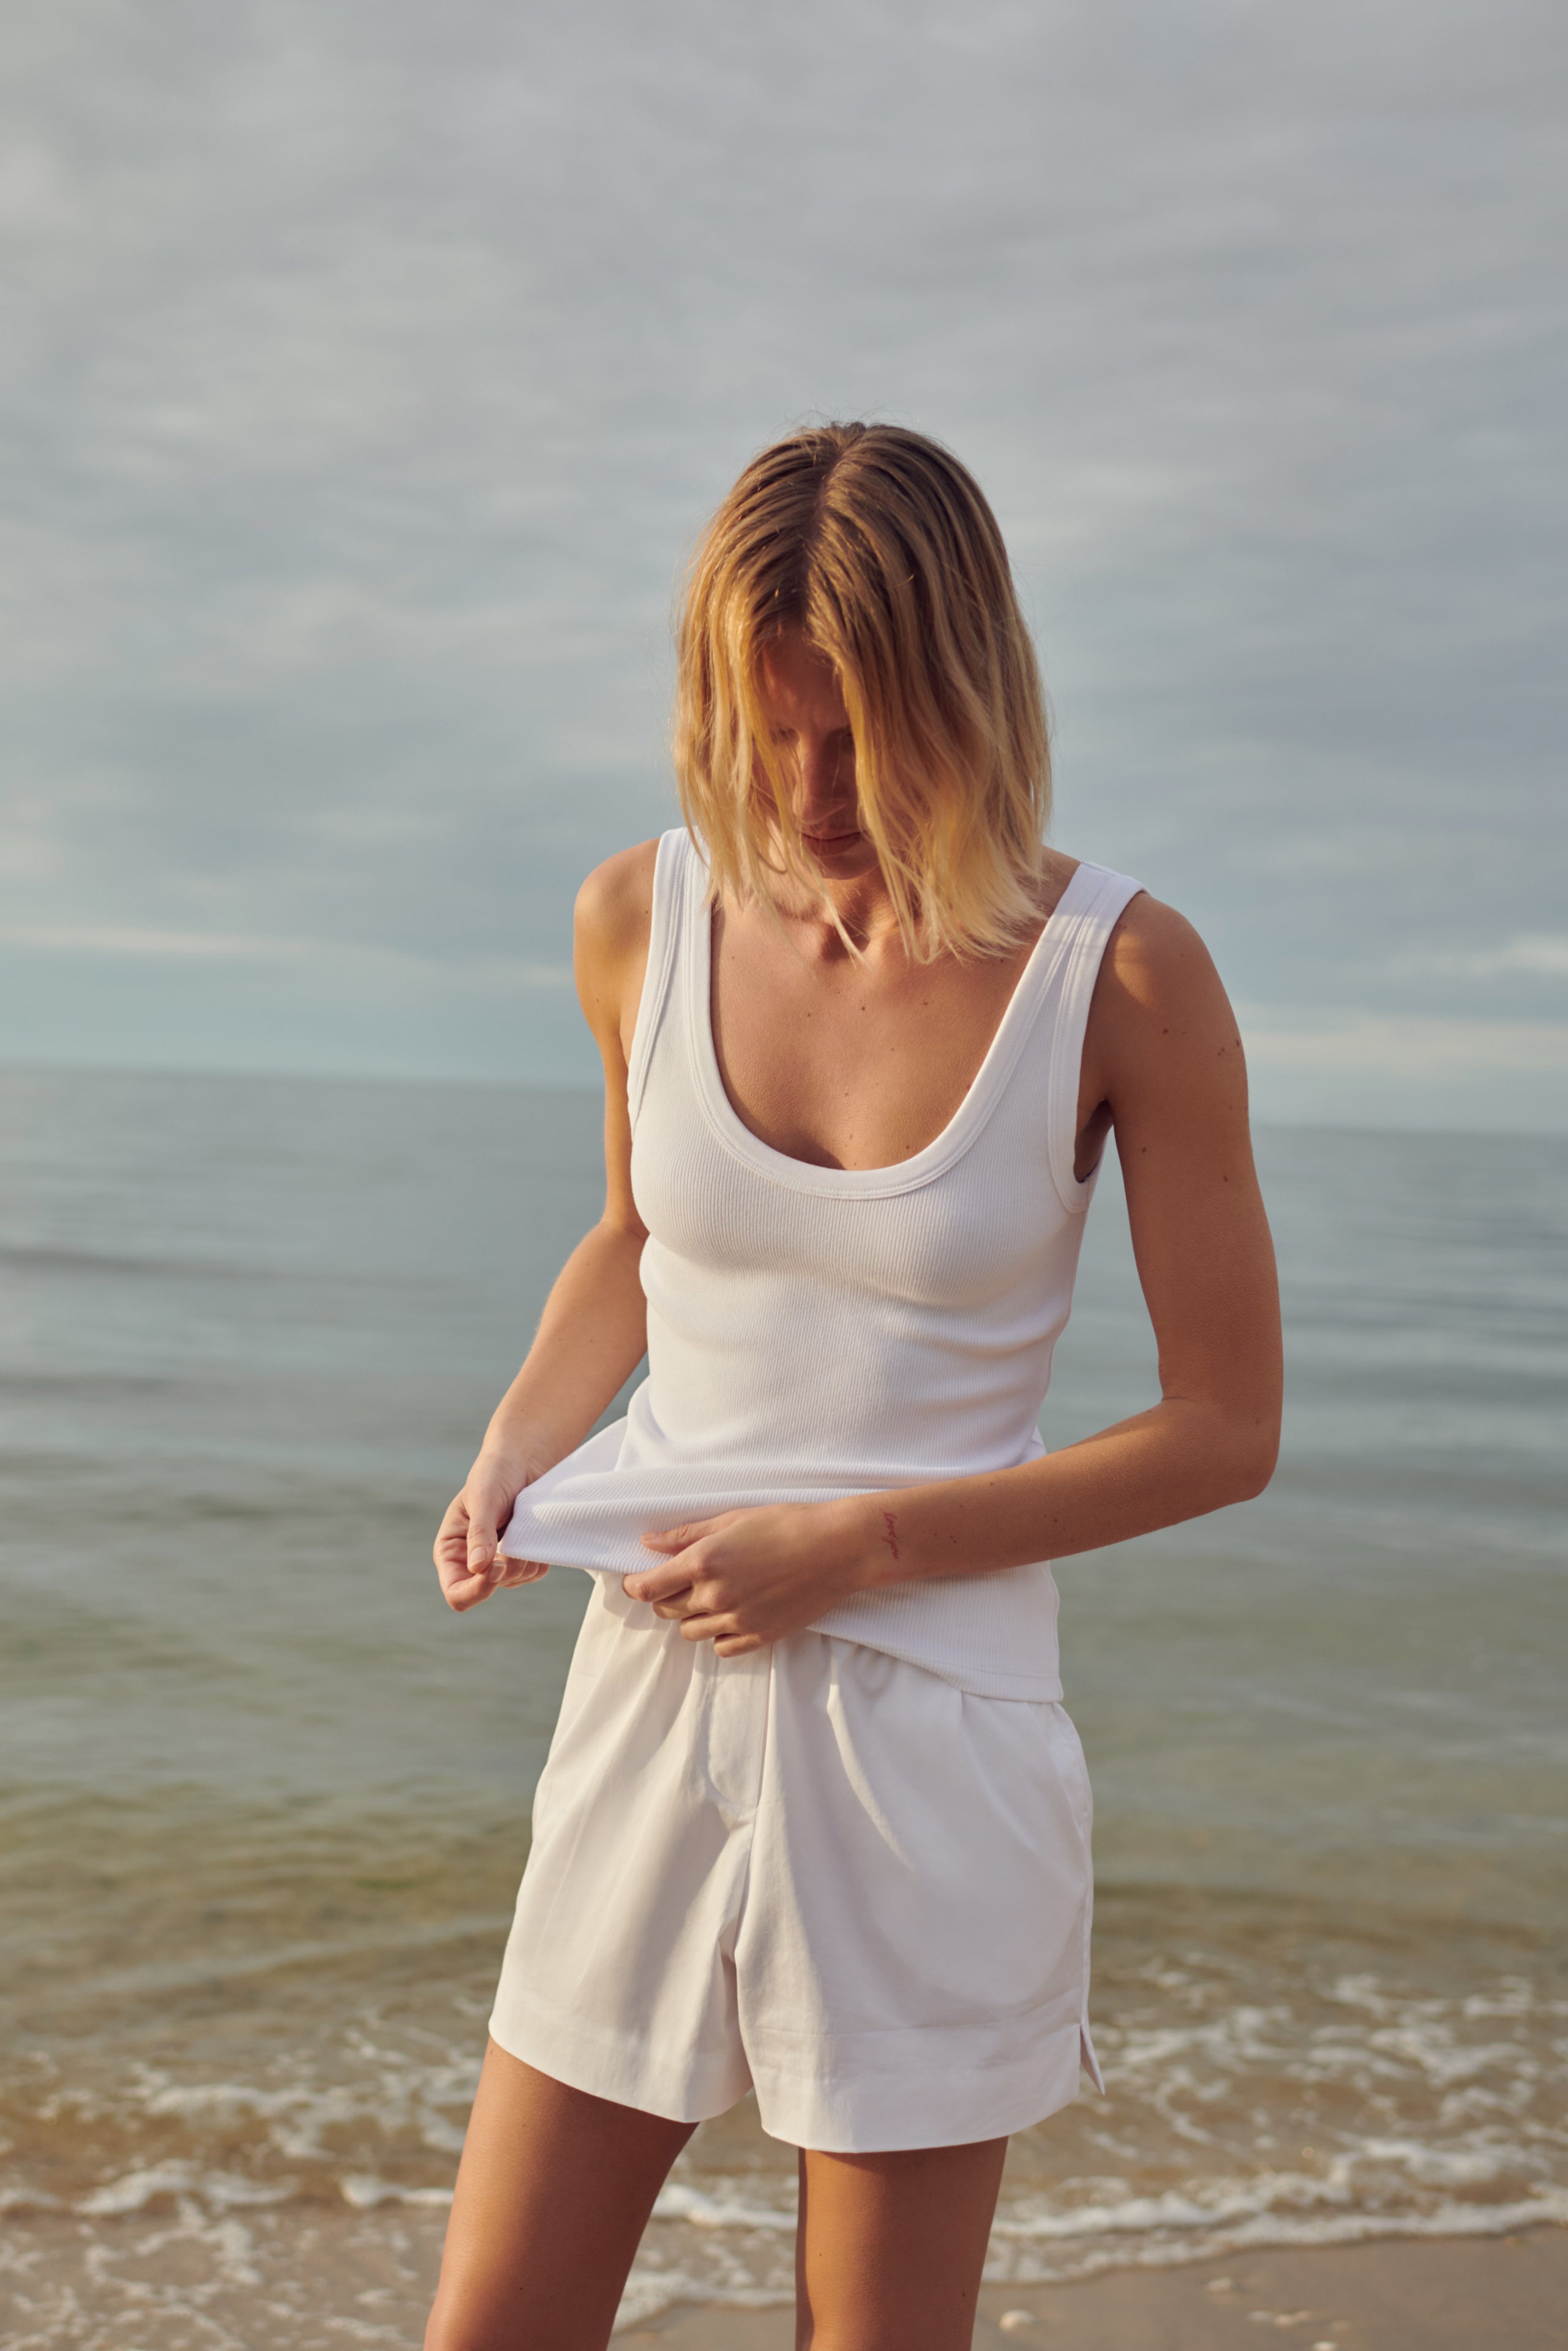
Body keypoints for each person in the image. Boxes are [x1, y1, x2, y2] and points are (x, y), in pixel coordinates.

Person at [425, 422, 1282, 2351]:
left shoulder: (1122, 976)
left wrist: (863, 1542)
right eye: (767, 728)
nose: (809, 792)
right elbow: (640, 1242)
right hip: (653, 1692)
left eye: (863, 734)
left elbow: (1227, 1429)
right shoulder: (636, 919)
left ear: (967, 696)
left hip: (930, 1739)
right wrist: (511, 1447)